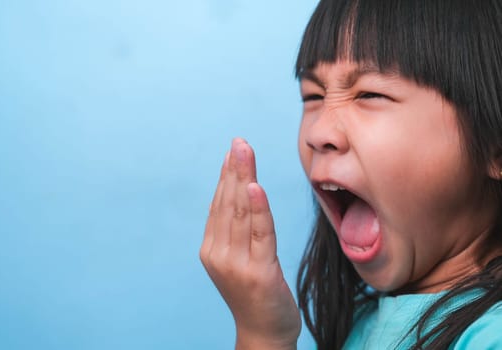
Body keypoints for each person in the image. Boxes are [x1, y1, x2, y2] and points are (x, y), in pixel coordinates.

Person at [200, 0, 502, 349]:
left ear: (495, 145)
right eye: (313, 95)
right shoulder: (362, 326)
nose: (318, 133)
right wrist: (264, 332)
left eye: (369, 93)